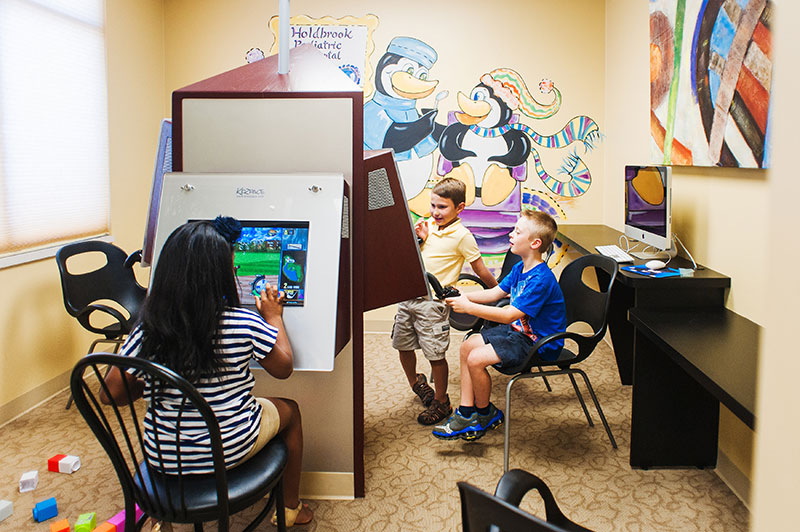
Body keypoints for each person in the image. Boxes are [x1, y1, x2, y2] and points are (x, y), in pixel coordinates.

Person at [101, 217, 313, 527]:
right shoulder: (243, 322)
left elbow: (111, 394)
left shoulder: (149, 328)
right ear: (218, 278)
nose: (236, 271)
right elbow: (283, 368)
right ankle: (291, 508)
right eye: (231, 266)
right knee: (290, 411)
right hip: (230, 447)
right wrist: (273, 317)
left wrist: (149, 377)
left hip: (164, 454)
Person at [432, 209, 566, 441]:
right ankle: (465, 413)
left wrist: (468, 307)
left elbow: (507, 315)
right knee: (467, 347)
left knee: (476, 359)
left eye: (517, 231)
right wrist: (465, 295)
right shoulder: (520, 267)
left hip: (538, 342)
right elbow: (496, 292)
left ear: (535, 243)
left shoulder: (541, 279)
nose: (511, 234)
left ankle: (486, 414)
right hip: (520, 332)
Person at [394, 177, 498, 425]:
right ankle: (417, 383)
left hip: (433, 303)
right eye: (433, 205)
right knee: (403, 345)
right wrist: (419, 239)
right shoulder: (426, 226)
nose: (435, 212)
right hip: (408, 297)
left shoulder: (463, 236)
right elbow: (410, 259)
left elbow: (480, 270)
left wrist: (500, 290)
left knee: (435, 354)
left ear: (459, 208)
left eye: (442, 207)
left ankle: (442, 401)